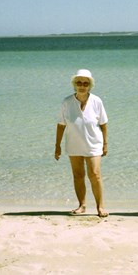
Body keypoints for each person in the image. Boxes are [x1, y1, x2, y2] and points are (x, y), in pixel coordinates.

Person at [54, 69, 109, 218]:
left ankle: (100, 206)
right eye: (79, 82)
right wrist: (57, 146)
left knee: (95, 175)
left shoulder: (97, 101)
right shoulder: (67, 102)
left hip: (93, 144)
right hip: (74, 144)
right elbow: (61, 125)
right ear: (74, 84)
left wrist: (105, 144)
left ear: (90, 85)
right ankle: (82, 205)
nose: (82, 86)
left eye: (85, 83)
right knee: (78, 175)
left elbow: (103, 124)